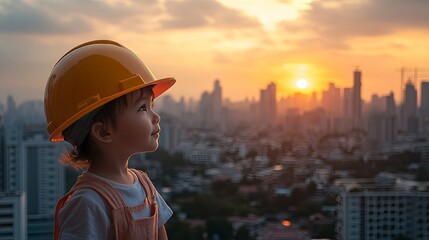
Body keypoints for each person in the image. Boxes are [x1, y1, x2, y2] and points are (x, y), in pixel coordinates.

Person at [44, 40, 176, 240]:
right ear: (104, 132)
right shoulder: (88, 203)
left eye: (151, 106)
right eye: (142, 108)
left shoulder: (145, 185)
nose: (156, 117)